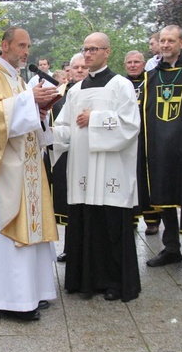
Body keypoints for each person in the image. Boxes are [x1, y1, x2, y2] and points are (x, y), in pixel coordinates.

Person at [0, 27, 60, 321]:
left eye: (28, 46)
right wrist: (28, 101)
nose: (26, 51)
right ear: (5, 45)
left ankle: (32, 292)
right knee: (8, 236)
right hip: (3, 171)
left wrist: (40, 112)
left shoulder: (17, 79)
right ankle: (11, 300)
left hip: (27, 167)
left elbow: (23, 117)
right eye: (21, 45)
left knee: (31, 230)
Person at [53, 32, 142, 302]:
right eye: (85, 49)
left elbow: (130, 125)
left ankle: (114, 282)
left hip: (109, 171)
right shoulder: (76, 90)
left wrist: (96, 117)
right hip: (81, 170)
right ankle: (83, 280)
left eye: (94, 49)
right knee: (84, 223)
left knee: (110, 226)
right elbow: (64, 127)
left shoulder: (121, 85)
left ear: (107, 52)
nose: (88, 53)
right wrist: (45, 128)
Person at [143, 25, 182, 272]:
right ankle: (171, 249)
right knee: (164, 199)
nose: (166, 45)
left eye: (171, 41)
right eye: (162, 41)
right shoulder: (153, 75)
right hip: (159, 147)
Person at [51, 53, 87, 263]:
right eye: (76, 67)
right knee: (69, 204)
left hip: (89, 154)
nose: (80, 71)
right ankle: (69, 247)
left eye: (83, 67)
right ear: (69, 71)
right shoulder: (58, 95)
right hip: (65, 155)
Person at [124, 50, 161, 236]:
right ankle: (130, 217)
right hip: (126, 140)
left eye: (136, 62)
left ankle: (152, 220)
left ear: (143, 63)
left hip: (147, 137)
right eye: (129, 62)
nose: (133, 65)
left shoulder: (151, 81)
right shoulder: (120, 84)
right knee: (129, 178)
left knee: (147, 179)